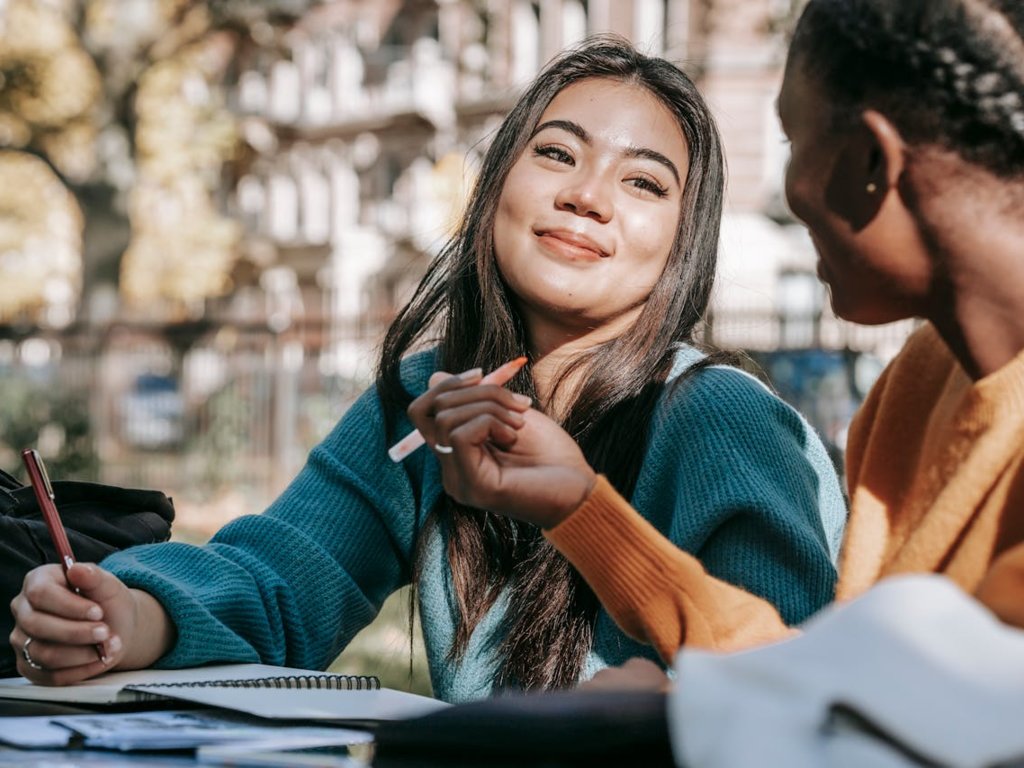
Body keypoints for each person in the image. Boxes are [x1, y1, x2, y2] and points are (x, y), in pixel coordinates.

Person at [8, 36, 847, 702]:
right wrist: (133, 618)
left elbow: (790, 680)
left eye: (643, 182)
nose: (587, 195)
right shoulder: (426, 397)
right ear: (495, 188)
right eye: (556, 154)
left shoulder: (721, 418)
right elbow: (282, 580)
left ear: (682, 248)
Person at [408, 0, 1024, 667]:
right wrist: (580, 508)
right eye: (555, 154)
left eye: (790, 139)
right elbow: (826, 678)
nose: (785, 188)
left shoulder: (729, 413)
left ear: (871, 162)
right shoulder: (919, 383)